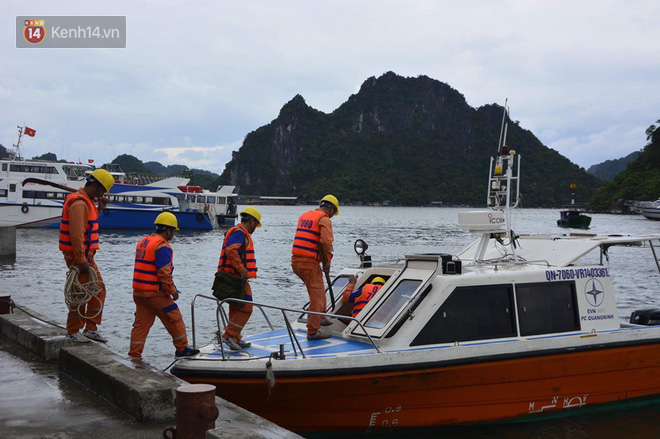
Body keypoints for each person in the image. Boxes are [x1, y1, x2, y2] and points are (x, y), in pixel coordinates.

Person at [128, 212, 199, 362]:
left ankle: (134, 355)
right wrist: (173, 292)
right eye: (173, 231)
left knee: (140, 325)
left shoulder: (143, 242)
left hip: (139, 294)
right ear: (168, 230)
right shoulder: (162, 246)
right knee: (175, 318)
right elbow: (164, 273)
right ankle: (182, 349)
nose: (173, 235)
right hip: (155, 294)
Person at [59, 169, 114, 343]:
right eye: (103, 191)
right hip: (80, 257)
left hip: (85, 256)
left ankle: (89, 328)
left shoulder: (85, 202)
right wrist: (81, 258)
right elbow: (77, 234)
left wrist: (99, 208)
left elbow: (87, 224)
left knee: (95, 290)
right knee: (82, 293)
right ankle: (74, 331)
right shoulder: (80, 203)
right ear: (97, 187)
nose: (103, 195)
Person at [291, 194, 339, 340]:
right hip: (309, 263)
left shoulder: (305, 215)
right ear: (330, 209)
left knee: (317, 289)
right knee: (316, 296)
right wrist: (327, 263)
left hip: (296, 262)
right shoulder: (324, 219)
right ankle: (312, 331)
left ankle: (321, 316)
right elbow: (326, 242)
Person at [217, 207, 261, 350]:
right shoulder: (239, 233)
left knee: (235, 309)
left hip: (232, 277)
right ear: (252, 221)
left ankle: (235, 337)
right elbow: (231, 250)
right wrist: (241, 268)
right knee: (247, 307)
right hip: (235, 278)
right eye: (256, 224)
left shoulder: (237, 232)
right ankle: (229, 335)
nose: (255, 228)